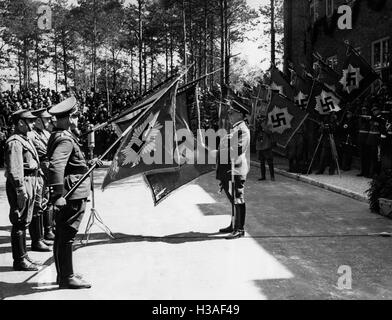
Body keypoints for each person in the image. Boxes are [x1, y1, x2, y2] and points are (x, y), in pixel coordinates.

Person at [47, 96, 92, 289]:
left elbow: (73, 164)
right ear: (65, 119)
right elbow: (57, 165)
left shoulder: (63, 136)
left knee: (63, 235)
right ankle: (67, 277)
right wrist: (58, 195)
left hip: (72, 188)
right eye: (73, 117)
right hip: (72, 192)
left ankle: (64, 274)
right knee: (67, 235)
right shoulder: (64, 139)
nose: (76, 120)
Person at [5, 110, 41, 271]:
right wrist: (20, 189)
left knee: (25, 219)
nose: (33, 124)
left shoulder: (24, 139)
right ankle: (19, 260)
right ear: (20, 123)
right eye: (30, 121)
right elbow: (15, 168)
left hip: (30, 180)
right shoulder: (14, 142)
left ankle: (24, 256)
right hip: (22, 182)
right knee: (19, 221)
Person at [215, 99, 251, 240]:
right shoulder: (236, 129)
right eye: (229, 112)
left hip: (235, 170)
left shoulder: (242, 130)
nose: (229, 115)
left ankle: (239, 229)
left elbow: (236, 150)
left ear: (240, 114)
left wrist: (216, 152)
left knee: (238, 199)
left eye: (232, 112)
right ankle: (233, 224)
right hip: (228, 170)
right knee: (233, 200)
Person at [29, 108, 56, 246]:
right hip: (39, 172)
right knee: (38, 204)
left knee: (47, 201)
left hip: (47, 171)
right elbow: (44, 151)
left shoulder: (45, 132)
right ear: (38, 120)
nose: (49, 121)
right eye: (46, 119)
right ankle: (37, 239)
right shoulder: (31, 135)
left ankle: (48, 231)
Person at [366, 105, 387, 177]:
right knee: (372, 157)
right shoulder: (372, 119)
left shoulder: (382, 118)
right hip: (371, 140)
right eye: (373, 111)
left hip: (378, 140)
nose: (374, 112)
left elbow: (382, 127)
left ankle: (377, 173)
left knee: (377, 158)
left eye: (375, 110)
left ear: (379, 110)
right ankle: (371, 172)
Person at [255, 115, 275, 180]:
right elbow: (254, 133)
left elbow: (270, 132)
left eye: (261, 118)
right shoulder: (257, 125)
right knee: (262, 162)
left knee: (270, 162)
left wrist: (263, 125)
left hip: (266, 146)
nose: (260, 119)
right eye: (259, 118)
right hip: (260, 146)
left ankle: (272, 176)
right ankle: (263, 176)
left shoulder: (268, 124)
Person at [356, 106, 370, 177]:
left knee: (367, 157)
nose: (363, 112)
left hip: (367, 140)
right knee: (362, 157)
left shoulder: (369, 119)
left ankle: (367, 172)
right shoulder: (360, 119)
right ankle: (362, 171)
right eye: (363, 110)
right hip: (361, 139)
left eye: (365, 110)